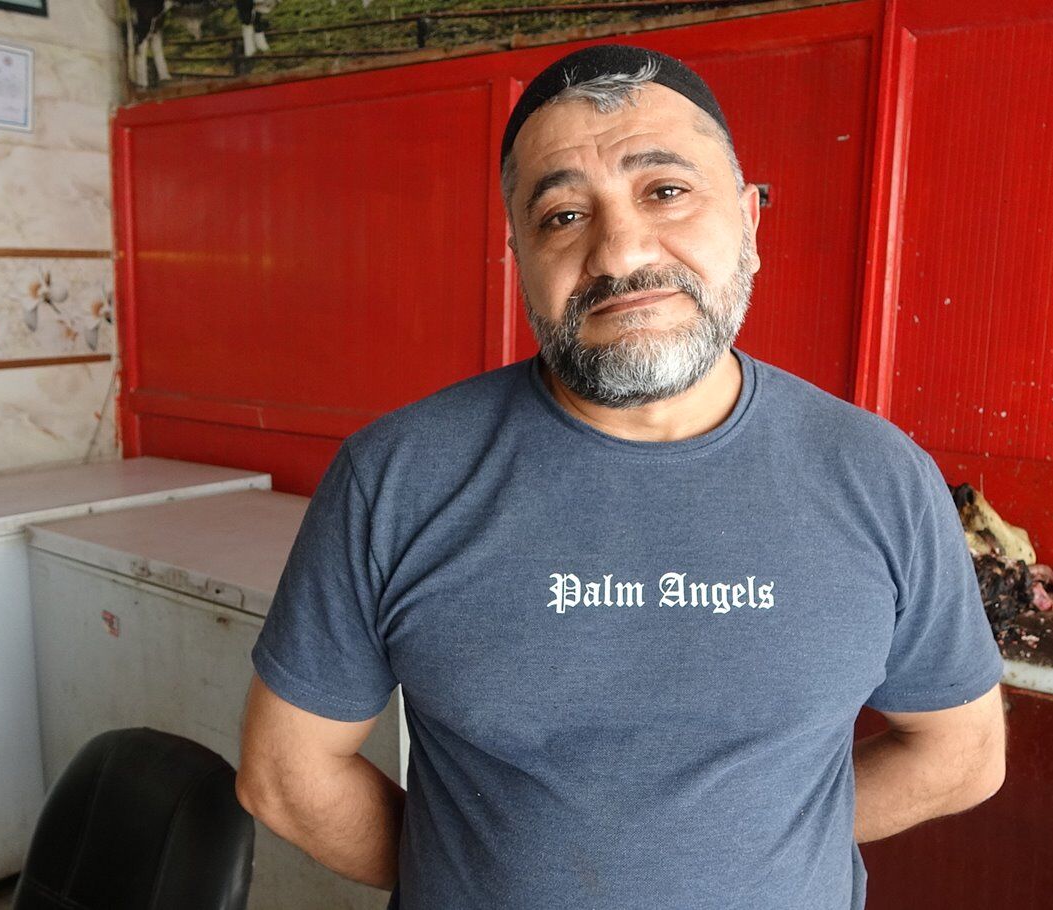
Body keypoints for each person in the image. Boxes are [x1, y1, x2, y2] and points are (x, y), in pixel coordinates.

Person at [236, 44, 1006, 910]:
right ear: (519, 255)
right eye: (563, 215)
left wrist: (755, 846)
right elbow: (286, 775)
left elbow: (961, 754)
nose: (619, 252)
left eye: (665, 191)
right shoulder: (398, 478)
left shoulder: (880, 477)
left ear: (749, 221)